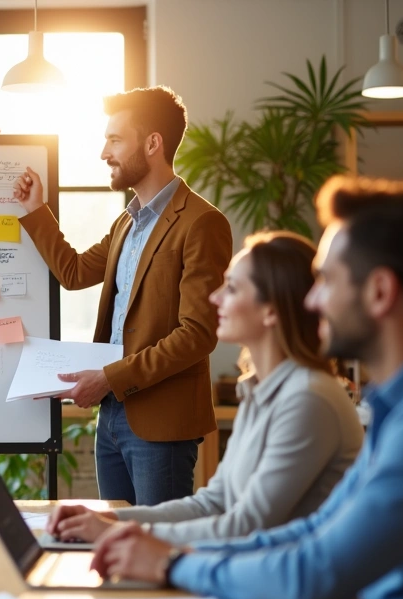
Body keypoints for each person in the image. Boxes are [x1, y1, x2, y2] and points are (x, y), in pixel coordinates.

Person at [91, 177, 403, 599]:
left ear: (379, 292)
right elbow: (313, 532)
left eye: (326, 281)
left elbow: (315, 571)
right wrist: (143, 542)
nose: (311, 301)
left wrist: (170, 563)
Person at [47, 232, 363, 546]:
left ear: (271, 310)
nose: (215, 298)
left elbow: (246, 526)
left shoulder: (308, 399)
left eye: (232, 288)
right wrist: (108, 519)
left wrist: (115, 532)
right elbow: (212, 503)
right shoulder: (261, 393)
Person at [13, 86, 233, 505]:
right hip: (112, 416)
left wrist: (110, 378)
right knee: (115, 537)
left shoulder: (201, 223)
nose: (104, 153)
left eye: (115, 140)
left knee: (154, 540)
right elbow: (74, 272)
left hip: (161, 424)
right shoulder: (125, 224)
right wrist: (36, 210)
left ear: (152, 144)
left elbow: (198, 334)